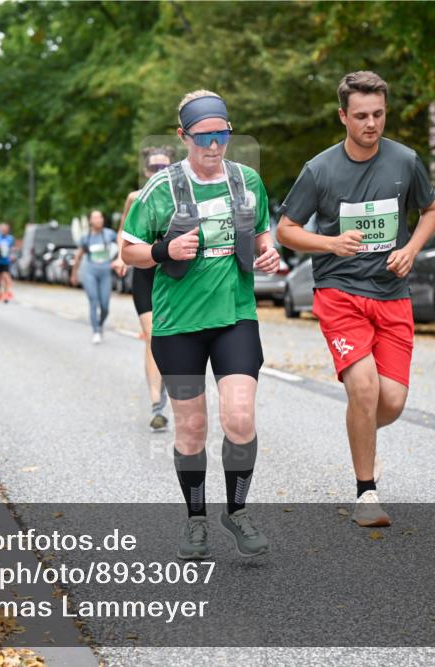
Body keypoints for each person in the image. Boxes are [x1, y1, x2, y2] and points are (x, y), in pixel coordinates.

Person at [276, 71, 435, 528]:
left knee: (391, 401)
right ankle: (366, 494)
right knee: (365, 388)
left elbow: (431, 210)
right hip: (340, 293)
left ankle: (360, 426)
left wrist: (410, 249)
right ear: (343, 116)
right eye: (362, 116)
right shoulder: (320, 169)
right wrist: (331, 244)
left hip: (392, 295)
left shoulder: (405, 161)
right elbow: (285, 230)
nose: (372, 124)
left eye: (379, 114)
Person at [121, 90, 281, 559]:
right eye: (203, 137)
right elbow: (128, 249)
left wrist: (268, 253)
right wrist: (161, 252)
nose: (214, 146)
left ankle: (237, 510)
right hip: (178, 326)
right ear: (183, 136)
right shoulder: (160, 190)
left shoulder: (247, 181)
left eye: (222, 134)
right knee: (191, 429)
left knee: (240, 417)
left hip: (235, 316)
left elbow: (261, 236)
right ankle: (196, 521)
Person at [113, 146, 175, 431]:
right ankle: (156, 405)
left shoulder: (181, 198)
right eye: (154, 169)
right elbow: (125, 231)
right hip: (146, 276)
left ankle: (167, 386)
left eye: (164, 168)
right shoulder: (135, 198)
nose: (158, 173)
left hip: (175, 277)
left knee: (170, 339)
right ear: (146, 171)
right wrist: (119, 256)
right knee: (153, 337)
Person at [71, 210, 117, 343]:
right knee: (93, 301)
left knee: (105, 306)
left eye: (100, 217)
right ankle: (95, 331)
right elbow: (78, 255)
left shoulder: (109, 234)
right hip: (90, 272)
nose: (98, 220)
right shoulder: (86, 237)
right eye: (95, 218)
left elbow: (122, 242)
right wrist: (74, 273)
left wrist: (120, 259)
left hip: (105, 273)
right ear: (91, 221)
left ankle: (100, 324)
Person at [0, 223, 16, 303]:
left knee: (6, 277)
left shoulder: (10, 238)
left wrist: (12, 255)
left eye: (6, 230)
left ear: (8, 230)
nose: (4, 231)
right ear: (0, 230)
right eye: (3, 229)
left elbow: (12, 248)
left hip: (6, 261)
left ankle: (6, 294)